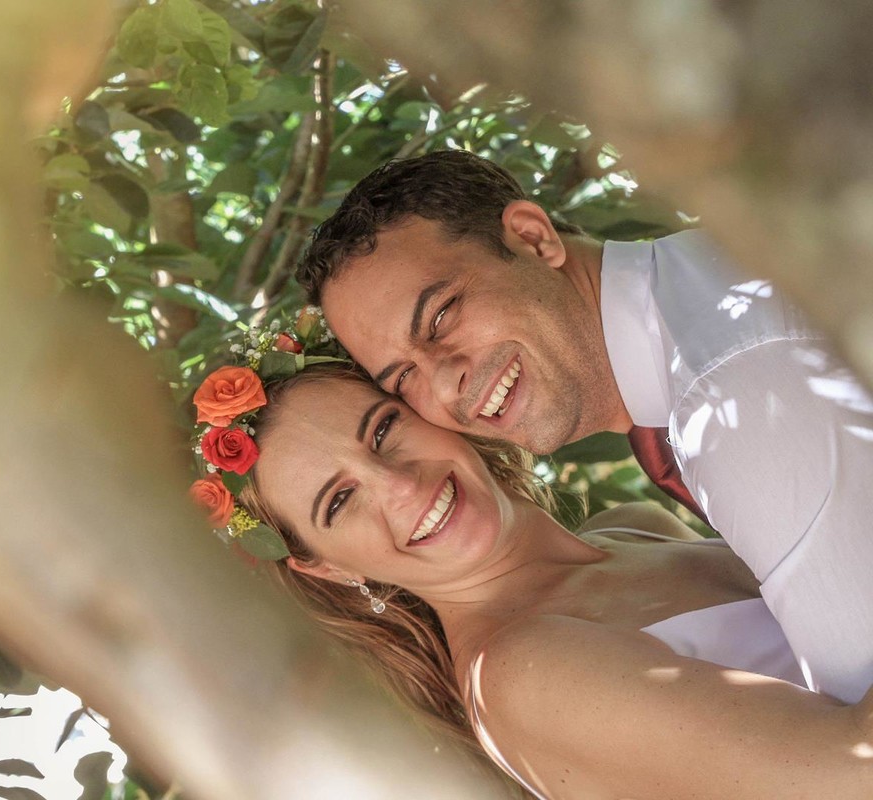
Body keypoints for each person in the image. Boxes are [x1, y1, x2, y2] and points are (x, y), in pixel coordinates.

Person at [295, 150, 873, 704]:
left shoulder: (730, 402)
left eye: (442, 316)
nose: (446, 387)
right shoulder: (714, 276)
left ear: (532, 238)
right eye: (402, 380)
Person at [190, 359, 873, 799]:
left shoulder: (636, 526)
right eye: (339, 502)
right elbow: (853, 770)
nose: (399, 485)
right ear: (325, 564)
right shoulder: (518, 672)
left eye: (382, 432)